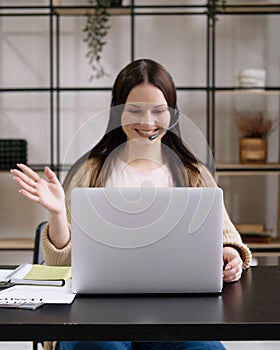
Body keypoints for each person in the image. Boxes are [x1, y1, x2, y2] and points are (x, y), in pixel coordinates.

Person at [11, 59, 252, 350]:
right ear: (118, 112)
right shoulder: (90, 172)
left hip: (177, 317)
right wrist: (58, 213)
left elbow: (227, 239)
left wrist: (229, 254)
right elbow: (63, 267)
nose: (147, 122)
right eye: (135, 110)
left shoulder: (193, 173)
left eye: (159, 111)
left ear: (172, 114)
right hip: (94, 317)